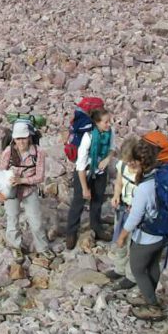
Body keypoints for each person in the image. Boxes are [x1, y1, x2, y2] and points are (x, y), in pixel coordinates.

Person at [114, 139, 167, 320]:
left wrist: (122, 236)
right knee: (153, 264)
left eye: (132, 161)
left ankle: (153, 306)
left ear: (140, 162)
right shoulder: (160, 174)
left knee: (137, 269)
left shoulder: (144, 187)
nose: (130, 164)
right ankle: (149, 295)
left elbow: (135, 217)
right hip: (162, 232)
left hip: (147, 236)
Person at [0, 120, 48, 258]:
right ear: (14, 139)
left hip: (29, 190)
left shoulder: (39, 152)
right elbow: (1, 171)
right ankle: (15, 246)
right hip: (12, 191)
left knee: (36, 221)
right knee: (12, 219)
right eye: (18, 139)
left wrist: (22, 180)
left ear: (29, 137)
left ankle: (42, 247)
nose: (21, 142)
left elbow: (40, 177)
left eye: (24, 138)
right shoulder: (8, 152)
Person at [64, 107, 112, 250]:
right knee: (79, 201)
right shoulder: (88, 138)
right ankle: (71, 232)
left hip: (100, 170)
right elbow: (80, 166)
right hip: (84, 171)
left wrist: (107, 159)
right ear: (97, 123)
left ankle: (96, 227)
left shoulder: (110, 133)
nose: (109, 124)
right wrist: (85, 188)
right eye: (106, 122)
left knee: (97, 200)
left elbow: (112, 148)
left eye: (109, 121)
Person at [107, 136, 139, 290]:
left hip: (136, 212)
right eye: (127, 161)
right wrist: (115, 195)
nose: (129, 164)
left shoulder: (143, 171)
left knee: (133, 243)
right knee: (120, 240)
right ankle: (119, 269)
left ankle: (131, 275)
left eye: (131, 161)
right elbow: (119, 182)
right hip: (123, 207)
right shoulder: (122, 165)